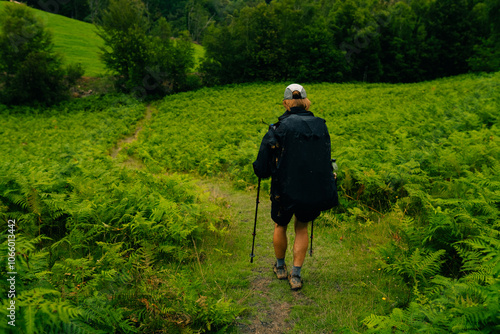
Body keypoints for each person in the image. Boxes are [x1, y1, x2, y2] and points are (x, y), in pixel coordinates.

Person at [253, 84, 338, 291]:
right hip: (311, 188)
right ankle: (297, 275)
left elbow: (262, 167)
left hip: (284, 189)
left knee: (280, 225)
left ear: (286, 103)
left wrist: (262, 171)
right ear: (306, 102)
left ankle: (280, 268)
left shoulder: (278, 128)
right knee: (302, 227)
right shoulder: (321, 125)